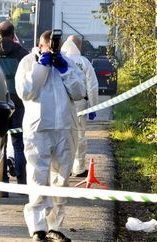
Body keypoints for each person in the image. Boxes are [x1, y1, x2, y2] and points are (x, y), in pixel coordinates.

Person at [15, 30, 85, 242]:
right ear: (40, 45)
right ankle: (38, 228)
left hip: (64, 127)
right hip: (39, 129)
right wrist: (41, 66)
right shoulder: (28, 62)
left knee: (61, 180)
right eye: (49, 46)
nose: (52, 49)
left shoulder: (68, 63)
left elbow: (79, 92)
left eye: (56, 45)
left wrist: (64, 69)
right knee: (38, 176)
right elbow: (25, 92)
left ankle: (55, 226)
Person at [0, 21, 29, 194]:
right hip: (17, 103)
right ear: (13, 35)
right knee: (19, 144)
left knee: (0, 145)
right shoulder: (21, 53)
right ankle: (22, 184)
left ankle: (2, 187)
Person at [61, 35, 99, 177]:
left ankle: (64, 168)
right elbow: (92, 86)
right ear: (78, 46)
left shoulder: (60, 60)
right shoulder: (84, 62)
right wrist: (93, 106)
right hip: (80, 104)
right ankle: (79, 168)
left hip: (63, 103)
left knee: (63, 135)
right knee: (80, 135)